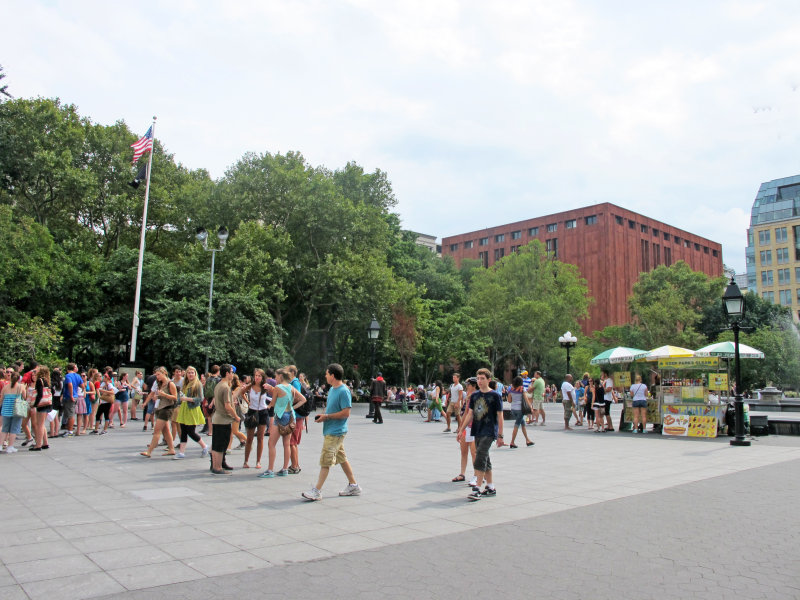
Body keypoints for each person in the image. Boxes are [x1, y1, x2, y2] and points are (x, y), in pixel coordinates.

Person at [302, 363, 360, 501]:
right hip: (331, 429)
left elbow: (346, 413)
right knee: (342, 458)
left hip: (336, 432)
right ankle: (353, 485)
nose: (325, 376)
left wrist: (327, 417)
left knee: (325, 461)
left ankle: (317, 491)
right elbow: (330, 409)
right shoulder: (333, 389)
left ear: (332, 375)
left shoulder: (343, 391)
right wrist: (324, 417)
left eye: (327, 373)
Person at [459, 368, 504, 501]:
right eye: (478, 379)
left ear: (489, 380)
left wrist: (500, 435)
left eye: (482, 378)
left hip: (489, 431)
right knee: (485, 458)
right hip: (477, 430)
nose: (479, 381)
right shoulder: (475, 396)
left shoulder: (495, 396)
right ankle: (490, 487)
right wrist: (461, 429)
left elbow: (500, 415)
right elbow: (470, 414)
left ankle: (477, 488)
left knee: (480, 456)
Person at [259, 368, 305, 478]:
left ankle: (270, 470)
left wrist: (266, 406)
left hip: (280, 416)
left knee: (271, 443)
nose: (275, 378)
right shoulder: (291, 387)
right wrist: (293, 407)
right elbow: (303, 399)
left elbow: (273, 403)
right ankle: (285, 469)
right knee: (286, 444)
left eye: (276, 376)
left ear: (280, 376)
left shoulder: (278, 388)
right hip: (290, 416)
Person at [140, 367, 178, 458]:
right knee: (166, 430)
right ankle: (172, 449)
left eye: (158, 375)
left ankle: (149, 451)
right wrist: (145, 403)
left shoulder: (170, 383)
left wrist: (164, 395)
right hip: (160, 407)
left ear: (164, 373)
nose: (157, 377)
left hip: (167, 408)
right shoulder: (160, 383)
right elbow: (152, 393)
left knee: (157, 431)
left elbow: (175, 397)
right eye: (156, 375)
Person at [174, 366, 209, 459]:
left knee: (191, 431)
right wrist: (180, 399)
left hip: (192, 409)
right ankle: (181, 452)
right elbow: (181, 396)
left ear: (195, 374)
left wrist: (187, 399)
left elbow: (200, 398)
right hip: (184, 408)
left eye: (192, 373)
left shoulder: (197, 384)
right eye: (189, 373)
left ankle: (204, 446)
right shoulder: (186, 383)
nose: (190, 374)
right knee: (183, 431)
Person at [210, 364, 238, 474]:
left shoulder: (219, 384)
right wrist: (236, 416)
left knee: (217, 443)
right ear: (227, 373)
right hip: (223, 420)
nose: (233, 374)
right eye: (232, 372)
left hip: (217, 418)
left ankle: (216, 465)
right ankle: (217, 467)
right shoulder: (225, 387)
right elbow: (227, 406)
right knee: (221, 445)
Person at [242, 368, 270, 469]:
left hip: (263, 412)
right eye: (256, 375)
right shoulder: (250, 386)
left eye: (259, 376)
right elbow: (241, 392)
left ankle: (258, 461)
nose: (257, 377)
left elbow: (276, 393)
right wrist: (248, 402)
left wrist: (270, 405)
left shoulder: (265, 387)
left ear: (262, 378)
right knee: (249, 438)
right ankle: (246, 461)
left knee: (260, 438)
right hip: (252, 411)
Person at [452, 377, 478, 485]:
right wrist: (460, 429)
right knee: (463, 451)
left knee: (474, 452)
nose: (466, 387)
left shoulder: (478, 397)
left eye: (468, 385)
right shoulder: (468, 398)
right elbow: (466, 413)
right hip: (467, 427)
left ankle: (477, 475)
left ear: (473, 386)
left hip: (475, 427)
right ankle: (462, 473)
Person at [0, 371, 26, 453]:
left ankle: (0, 445)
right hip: (16, 411)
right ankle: (10, 447)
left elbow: (1, 399)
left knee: (4, 429)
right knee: (14, 429)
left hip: (5, 410)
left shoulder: (5, 387)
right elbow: (24, 397)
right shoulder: (21, 386)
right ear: (19, 379)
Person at [287, 365, 307, 473]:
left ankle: (294, 466)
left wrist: (289, 406)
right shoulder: (294, 382)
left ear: (291, 373)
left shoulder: (294, 383)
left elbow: (297, 397)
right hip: (297, 416)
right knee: (293, 442)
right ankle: (296, 465)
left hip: (296, 416)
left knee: (292, 442)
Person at [29, 365, 52, 450]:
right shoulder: (47, 380)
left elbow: (40, 394)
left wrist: (35, 404)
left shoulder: (40, 380)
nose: (35, 372)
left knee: (39, 425)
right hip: (47, 403)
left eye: (37, 370)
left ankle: (38, 444)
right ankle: (45, 443)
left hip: (41, 404)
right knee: (42, 424)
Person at [507, 376, 534, 448]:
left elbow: (509, 401)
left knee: (523, 424)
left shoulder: (510, 389)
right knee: (517, 425)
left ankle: (527, 440)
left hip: (513, 409)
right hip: (520, 410)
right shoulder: (522, 389)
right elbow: (526, 399)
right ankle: (512, 442)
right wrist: (530, 407)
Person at [61, 363, 83, 437]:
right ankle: (68, 429)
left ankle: (70, 431)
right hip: (75, 395)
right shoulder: (78, 376)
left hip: (70, 397)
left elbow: (70, 384)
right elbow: (82, 385)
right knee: (68, 413)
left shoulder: (68, 376)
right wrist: (83, 390)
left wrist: (71, 395)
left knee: (70, 414)